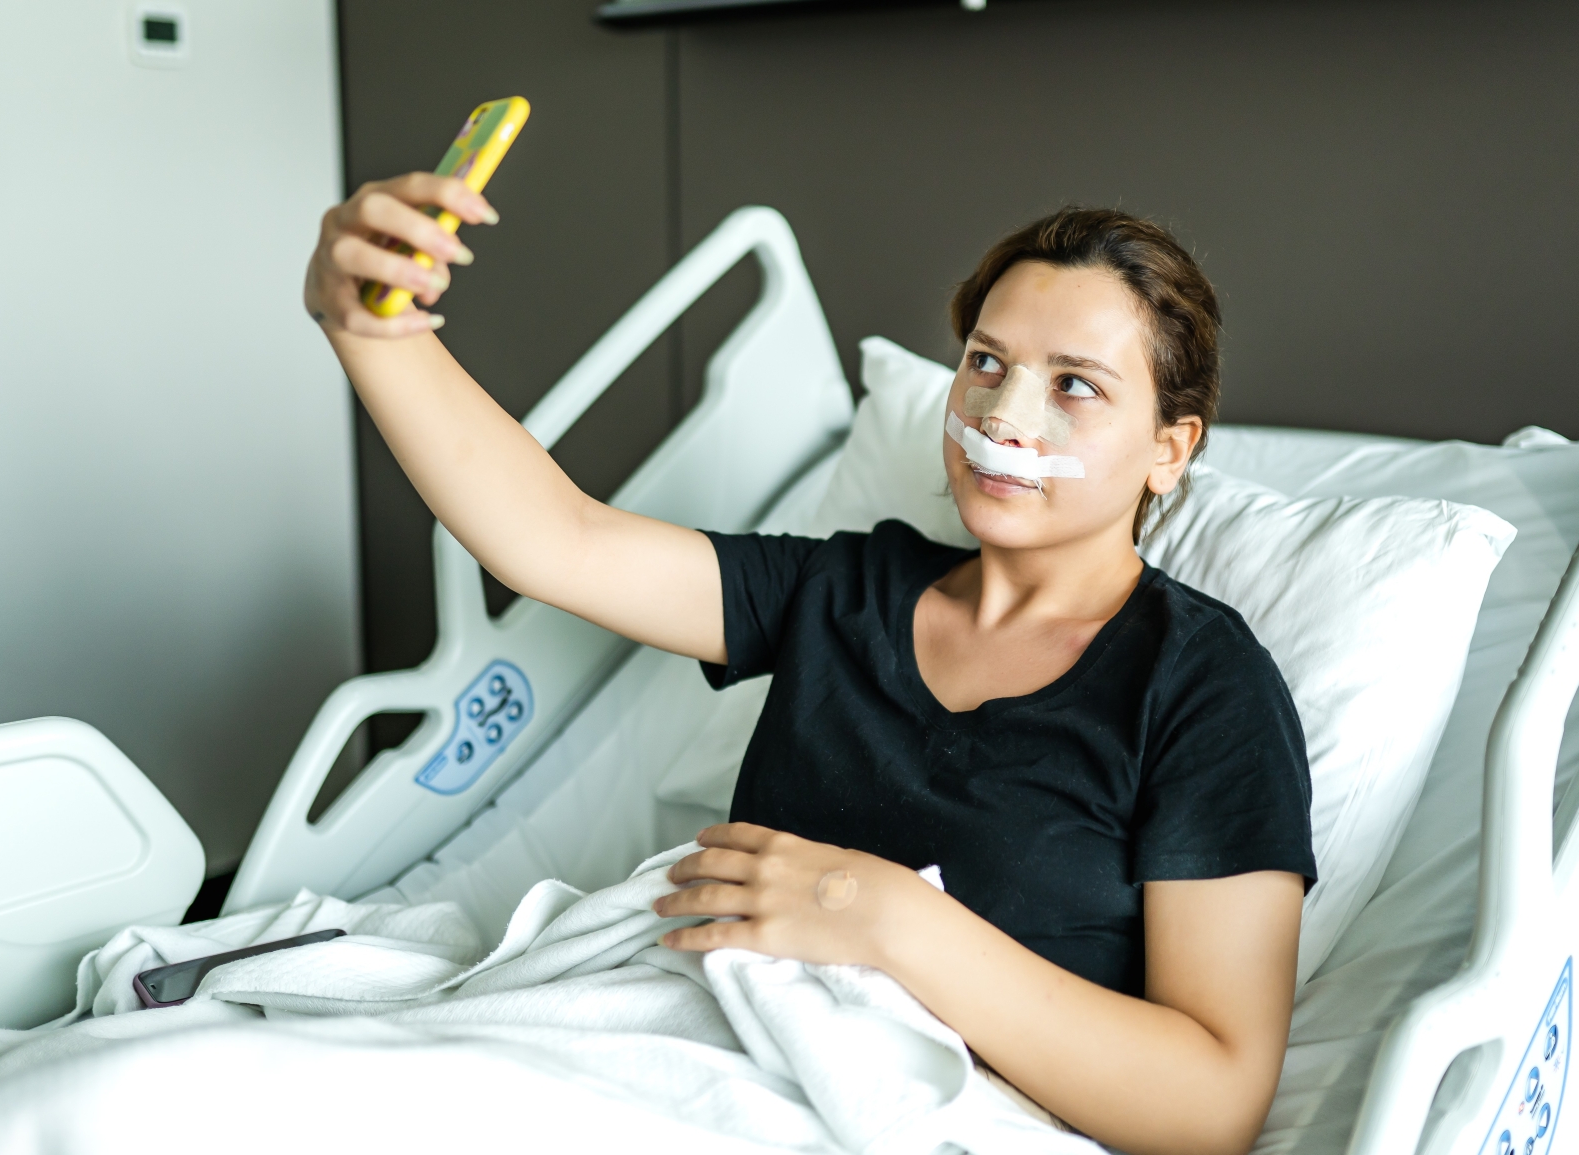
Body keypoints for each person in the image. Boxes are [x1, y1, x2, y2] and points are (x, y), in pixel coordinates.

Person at [303, 174, 1315, 1155]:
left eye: (1074, 385)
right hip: (668, 1048)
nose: (1005, 417)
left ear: (1169, 449)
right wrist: (370, 328)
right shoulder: (843, 590)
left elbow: (1212, 1103)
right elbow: (556, 540)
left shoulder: (1203, 687)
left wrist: (888, 917)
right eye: (986, 362)